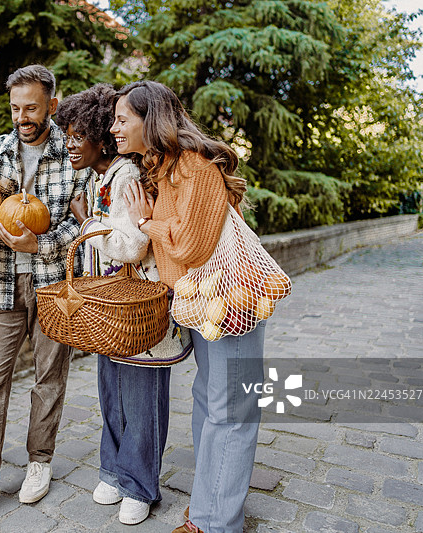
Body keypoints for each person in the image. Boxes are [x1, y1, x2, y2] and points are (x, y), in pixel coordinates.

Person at [0, 65, 90, 526]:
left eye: (31, 107)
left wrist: (40, 243)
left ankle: (39, 461)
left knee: (49, 378)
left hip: (54, 287)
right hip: (1, 283)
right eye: (15, 108)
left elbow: (83, 220)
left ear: (51, 101)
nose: (22, 116)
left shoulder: (72, 153)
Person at [117, 81, 265, 533]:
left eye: (123, 119)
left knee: (231, 410)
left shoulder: (195, 167)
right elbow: (167, 250)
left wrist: (148, 220)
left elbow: (191, 245)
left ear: (152, 120)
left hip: (231, 298)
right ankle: (211, 502)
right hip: (203, 302)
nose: (114, 127)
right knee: (209, 400)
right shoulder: (162, 170)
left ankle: (215, 522)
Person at [57, 84, 193, 526]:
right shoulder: (103, 178)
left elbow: (133, 244)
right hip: (112, 307)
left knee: (141, 398)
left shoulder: (128, 177)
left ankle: (140, 483)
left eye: (79, 136)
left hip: (139, 306)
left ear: (98, 136)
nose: (71, 145)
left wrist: (86, 220)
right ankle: (113, 470)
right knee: (111, 390)